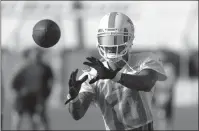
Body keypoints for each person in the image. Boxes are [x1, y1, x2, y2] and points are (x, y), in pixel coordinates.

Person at [66, 12, 167, 130]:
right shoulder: (92, 75)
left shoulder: (145, 60)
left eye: (117, 39)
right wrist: (74, 98)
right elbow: (77, 114)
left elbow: (146, 83)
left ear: (129, 38)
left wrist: (113, 75)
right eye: (107, 39)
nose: (111, 45)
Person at [11, 48, 54, 130]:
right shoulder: (23, 68)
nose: (37, 57)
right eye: (35, 55)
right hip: (22, 98)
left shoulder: (44, 69)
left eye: (39, 55)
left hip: (35, 97)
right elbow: (13, 83)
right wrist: (19, 92)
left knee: (36, 119)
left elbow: (50, 83)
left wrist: (45, 95)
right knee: (18, 119)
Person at [152, 61, 177, 130]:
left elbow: (170, 83)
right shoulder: (157, 69)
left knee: (166, 118)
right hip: (160, 97)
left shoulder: (168, 68)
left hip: (165, 97)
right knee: (162, 117)